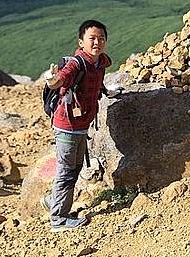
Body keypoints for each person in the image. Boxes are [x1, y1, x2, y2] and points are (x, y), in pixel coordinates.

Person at [41, 20, 112, 232]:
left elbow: (95, 87)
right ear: (81, 42)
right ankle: (59, 219)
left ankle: (53, 201)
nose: (97, 42)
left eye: (101, 38)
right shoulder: (76, 63)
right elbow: (59, 81)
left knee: (75, 168)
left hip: (81, 124)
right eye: (92, 38)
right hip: (67, 125)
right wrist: (51, 80)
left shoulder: (99, 64)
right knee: (67, 171)